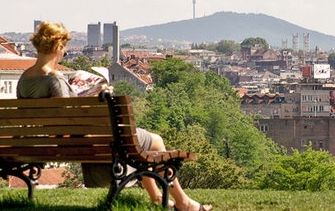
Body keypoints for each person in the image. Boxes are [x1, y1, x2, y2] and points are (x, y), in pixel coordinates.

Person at [17, 21, 212, 211]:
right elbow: (70, 121)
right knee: (156, 142)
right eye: (64, 49)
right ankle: (184, 203)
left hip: (43, 144)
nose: (63, 54)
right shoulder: (55, 80)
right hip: (82, 143)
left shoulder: (23, 79)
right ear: (58, 46)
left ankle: (158, 198)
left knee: (145, 145)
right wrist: (99, 93)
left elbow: (60, 116)